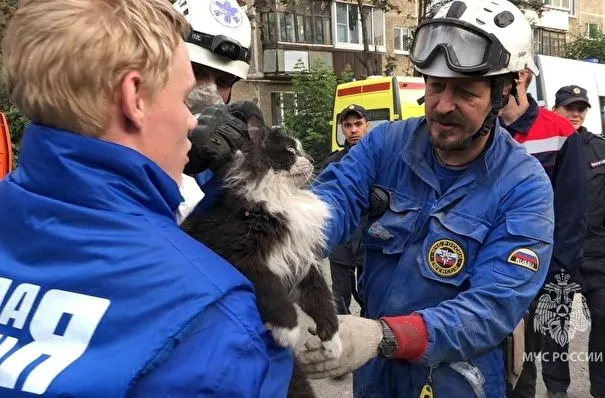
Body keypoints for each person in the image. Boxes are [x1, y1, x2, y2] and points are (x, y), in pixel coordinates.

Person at [0, 0, 291, 396]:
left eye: (221, 83)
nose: (195, 116)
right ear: (134, 95)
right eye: (189, 85)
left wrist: (232, 183)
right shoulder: (213, 320)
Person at [288, 0, 555, 396]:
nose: (443, 105)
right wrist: (266, 223)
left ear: (503, 92)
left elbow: (492, 308)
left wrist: (383, 336)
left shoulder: (524, 186)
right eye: (435, 85)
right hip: (376, 380)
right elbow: (327, 208)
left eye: (465, 92)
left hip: (458, 381)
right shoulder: (384, 145)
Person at [499, 68, 587, 398]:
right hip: (493, 266)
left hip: (542, 267)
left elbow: (571, 211)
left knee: (537, 349)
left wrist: (556, 274)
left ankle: (555, 390)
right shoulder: (482, 129)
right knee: (501, 353)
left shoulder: (560, 132)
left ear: (523, 76)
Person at [552, 85, 605, 398]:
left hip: (597, 252)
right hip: (559, 251)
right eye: (569, 107)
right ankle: (557, 388)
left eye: (581, 108)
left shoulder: (600, 149)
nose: (575, 113)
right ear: (556, 109)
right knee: (554, 324)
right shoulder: (547, 145)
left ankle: (600, 387)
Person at [323, 104, 371, 315]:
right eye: (348, 125)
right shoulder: (333, 162)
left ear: (366, 126)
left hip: (369, 238)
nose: (353, 130)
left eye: (358, 124)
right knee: (339, 298)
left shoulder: (377, 160)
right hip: (341, 242)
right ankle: (341, 339)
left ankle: (373, 340)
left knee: (369, 295)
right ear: (342, 129)